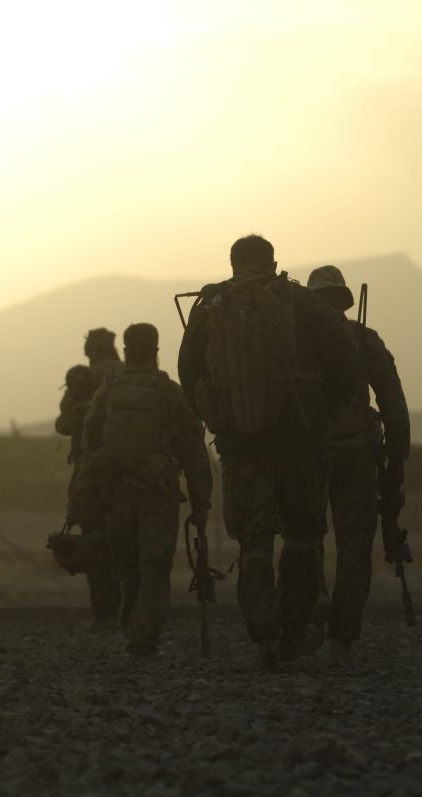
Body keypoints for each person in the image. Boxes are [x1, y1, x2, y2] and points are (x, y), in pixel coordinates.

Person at [178, 235, 359, 670]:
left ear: (233, 264)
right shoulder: (298, 301)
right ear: (273, 262)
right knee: (301, 534)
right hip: (301, 439)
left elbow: (188, 372)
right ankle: (294, 633)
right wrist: (325, 411)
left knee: (254, 541)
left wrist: (221, 415)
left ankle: (263, 636)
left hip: (241, 445)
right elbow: (347, 361)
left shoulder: (213, 307)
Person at [69, 323, 212, 657]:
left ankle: (132, 627)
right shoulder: (169, 393)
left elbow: (90, 447)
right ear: (156, 351)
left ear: (128, 351)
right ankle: (143, 637)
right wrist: (201, 502)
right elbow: (194, 451)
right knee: (154, 567)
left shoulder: (108, 391)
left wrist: (81, 498)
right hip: (156, 494)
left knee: (127, 566)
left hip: (116, 496)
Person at [306, 265, 410, 664]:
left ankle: (311, 615)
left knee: (304, 541)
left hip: (309, 458)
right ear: (344, 300)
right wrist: (395, 461)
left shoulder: (295, 346)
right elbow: (394, 405)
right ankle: (342, 641)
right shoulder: (365, 340)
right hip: (357, 456)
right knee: (353, 548)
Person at [54, 328, 122, 626]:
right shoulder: (130, 374)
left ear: (90, 350)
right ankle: (134, 614)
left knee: (95, 544)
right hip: (131, 474)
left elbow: (65, 425)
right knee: (129, 544)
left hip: (91, 475)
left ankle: (103, 614)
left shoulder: (83, 379)